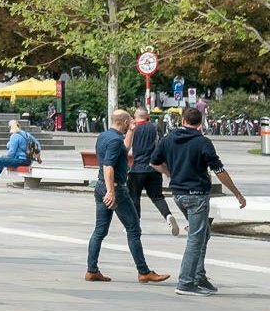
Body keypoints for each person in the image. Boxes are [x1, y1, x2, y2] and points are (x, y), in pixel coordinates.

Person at [156, 107, 247, 295]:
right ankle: (186, 282)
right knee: (196, 238)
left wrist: (170, 174)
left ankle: (199, 275)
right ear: (201, 123)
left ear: (182, 121)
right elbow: (219, 171)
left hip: (178, 194)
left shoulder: (168, 139)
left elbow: (154, 162)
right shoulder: (203, 142)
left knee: (203, 233)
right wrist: (237, 193)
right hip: (196, 195)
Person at [86, 108, 169, 284]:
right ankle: (144, 271)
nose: (130, 124)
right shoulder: (115, 141)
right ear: (123, 122)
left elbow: (125, 148)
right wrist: (111, 192)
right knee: (133, 229)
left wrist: (131, 131)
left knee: (100, 230)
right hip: (115, 189)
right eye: (128, 122)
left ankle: (91, 270)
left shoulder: (104, 136)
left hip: (100, 186)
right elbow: (108, 166)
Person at [126, 109, 180, 236]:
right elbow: (162, 146)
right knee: (157, 197)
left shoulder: (132, 129)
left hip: (137, 169)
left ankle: (135, 224)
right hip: (154, 169)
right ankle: (168, 215)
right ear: (148, 117)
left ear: (135, 116)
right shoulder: (156, 128)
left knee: (134, 197)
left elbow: (127, 146)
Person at [0, 120, 39, 186]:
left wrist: (8, 147)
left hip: (20, 160)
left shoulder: (14, 136)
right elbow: (38, 144)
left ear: (10, 127)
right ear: (19, 126)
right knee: (2, 159)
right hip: (28, 160)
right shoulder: (26, 134)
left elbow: (11, 153)